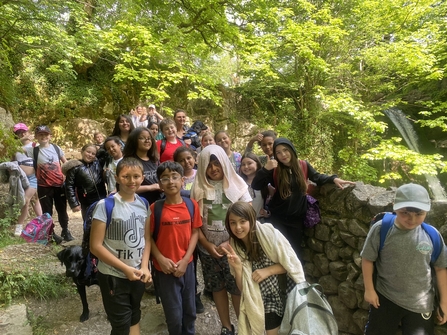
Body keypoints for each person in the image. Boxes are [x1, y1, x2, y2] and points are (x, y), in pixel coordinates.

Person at [361, 183, 447, 334]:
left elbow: (440, 268)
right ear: (395, 207)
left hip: (421, 304)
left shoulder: (432, 236)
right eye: (405, 212)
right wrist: (369, 290)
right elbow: (368, 259)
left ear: (427, 211)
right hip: (385, 298)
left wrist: (444, 303)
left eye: (419, 214)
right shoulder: (382, 229)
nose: (411, 219)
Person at [251, 138, 354, 258]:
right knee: (278, 253)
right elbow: (256, 185)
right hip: (277, 218)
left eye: (285, 150)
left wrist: (333, 179)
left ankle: (294, 277)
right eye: (278, 152)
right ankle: (280, 276)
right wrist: (265, 169)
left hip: (296, 219)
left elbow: (317, 177)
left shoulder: (303, 165)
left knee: (294, 253)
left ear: (292, 150)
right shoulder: (274, 170)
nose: (283, 154)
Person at [190, 144, 252, 335]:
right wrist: (207, 245)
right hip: (208, 250)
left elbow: (248, 214)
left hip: (234, 248)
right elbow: (195, 223)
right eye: (208, 165)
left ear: (224, 162)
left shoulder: (237, 183)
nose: (213, 169)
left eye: (217, 163)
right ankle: (226, 326)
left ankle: (243, 326)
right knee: (217, 288)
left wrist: (231, 242)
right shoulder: (198, 186)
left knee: (236, 289)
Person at [222, 201, 306, 335]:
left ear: (250, 219)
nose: (238, 227)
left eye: (242, 221)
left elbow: (291, 264)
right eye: (233, 222)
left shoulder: (268, 234)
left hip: (284, 292)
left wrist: (268, 271)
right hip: (260, 299)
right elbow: (243, 288)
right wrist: (238, 268)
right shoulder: (235, 246)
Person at [90, 157, 152, 335]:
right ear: (116, 178)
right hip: (113, 276)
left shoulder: (143, 203)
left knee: (134, 315)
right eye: (126, 176)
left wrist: (145, 266)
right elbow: (95, 246)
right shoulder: (106, 205)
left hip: (138, 273)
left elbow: (146, 238)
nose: (131, 181)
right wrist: (125, 269)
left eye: (136, 176)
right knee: (120, 324)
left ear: (142, 177)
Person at [150, 161, 202, 335]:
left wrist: (186, 259)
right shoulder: (155, 209)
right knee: (173, 313)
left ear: (182, 180)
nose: (171, 181)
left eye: (174, 177)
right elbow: (148, 238)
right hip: (164, 268)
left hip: (186, 266)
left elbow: (195, 232)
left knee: (189, 309)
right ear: (159, 184)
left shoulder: (191, 205)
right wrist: (160, 259)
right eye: (165, 178)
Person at [173, 146, 204, 313]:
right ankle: (188, 295)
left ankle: (197, 293)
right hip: (183, 227)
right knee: (188, 259)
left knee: (198, 261)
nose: (186, 162)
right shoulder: (176, 178)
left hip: (201, 224)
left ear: (195, 158)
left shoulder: (202, 174)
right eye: (181, 160)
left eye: (189, 158)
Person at [29, 125, 72, 242]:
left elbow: (65, 163)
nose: (43, 137)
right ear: (36, 137)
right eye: (40, 135)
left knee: (62, 209)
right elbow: (20, 148)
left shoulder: (56, 148)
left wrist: (70, 175)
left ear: (50, 136)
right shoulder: (33, 150)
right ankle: (50, 233)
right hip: (44, 186)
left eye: (46, 134)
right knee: (47, 211)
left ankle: (65, 230)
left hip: (59, 184)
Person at [63, 144, 107, 220]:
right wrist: (74, 204)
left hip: (102, 199)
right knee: (89, 222)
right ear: (82, 151)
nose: (90, 155)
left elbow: (105, 152)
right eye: (88, 152)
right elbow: (69, 186)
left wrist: (99, 147)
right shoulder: (75, 168)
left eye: (93, 154)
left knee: (103, 220)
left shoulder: (97, 163)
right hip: (86, 201)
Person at [12, 123, 42, 227]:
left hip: (33, 178)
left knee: (25, 200)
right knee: (34, 200)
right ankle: (43, 224)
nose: (22, 134)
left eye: (24, 131)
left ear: (28, 132)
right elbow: (12, 160)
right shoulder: (15, 147)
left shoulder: (34, 145)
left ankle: (18, 227)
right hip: (20, 178)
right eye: (19, 133)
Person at [123, 127, 161, 204]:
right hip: (139, 205)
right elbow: (125, 188)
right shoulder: (128, 163)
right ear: (134, 141)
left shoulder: (154, 160)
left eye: (149, 138)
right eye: (142, 138)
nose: (147, 140)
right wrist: (151, 187)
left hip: (158, 203)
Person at [239, 152, 269, 220]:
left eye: (249, 163)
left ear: (257, 164)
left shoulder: (264, 183)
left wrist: (267, 212)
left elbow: (273, 202)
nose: (246, 167)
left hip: (260, 221)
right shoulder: (239, 183)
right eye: (243, 164)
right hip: (244, 221)